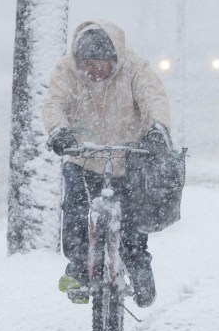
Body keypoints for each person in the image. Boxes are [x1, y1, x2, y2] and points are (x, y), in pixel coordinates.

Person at [42, 20, 172, 307]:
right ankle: (78, 267)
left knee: (133, 220)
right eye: (87, 64)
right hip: (83, 156)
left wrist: (157, 130)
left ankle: (139, 266)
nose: (94, 71)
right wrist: (58, 131)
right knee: (75, 211)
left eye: (100, 64)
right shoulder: (66, 71)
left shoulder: (136, 68)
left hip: (129, 157)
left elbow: (154, 99)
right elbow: (54, 104)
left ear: (114, 59)